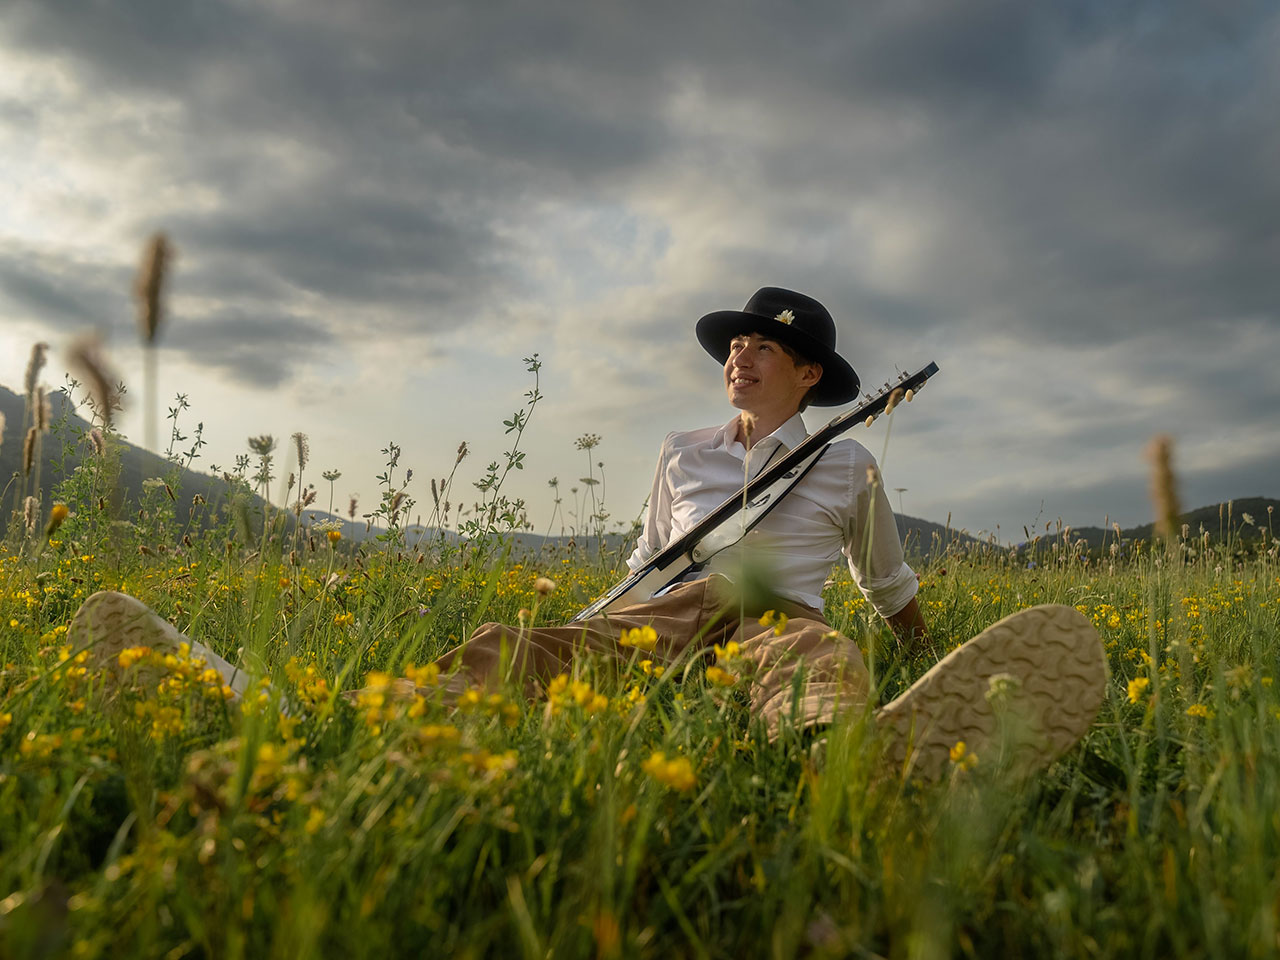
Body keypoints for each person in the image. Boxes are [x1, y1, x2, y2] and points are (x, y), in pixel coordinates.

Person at [70, 287, 1107, 780]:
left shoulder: (848, 462)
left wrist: (933, 655)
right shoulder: (679, 449)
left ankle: (863, 757)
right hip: (665, 610)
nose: (743, 355)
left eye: (766, 348)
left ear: (808, 377)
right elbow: (643, 560)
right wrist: (589, 625)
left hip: (769, 615)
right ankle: (278, 711)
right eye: (737, 343)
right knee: (510, 649)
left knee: (812, 650)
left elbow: (883, 582)